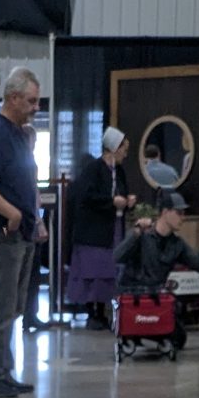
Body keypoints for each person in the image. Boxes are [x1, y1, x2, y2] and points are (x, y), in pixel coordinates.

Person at [0, 67, 43, 398]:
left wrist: (36, 219)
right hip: (5, 231)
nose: (36, 108)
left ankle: (3, 371)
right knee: (3, 306)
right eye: (31, 101)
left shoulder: (18, 134)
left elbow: (26, 180)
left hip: (23, 231)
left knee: (14, 306)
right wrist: (12, 214)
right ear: (13, 97)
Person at [62, 125, 133, 320]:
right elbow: (87, 197)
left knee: (108, 272)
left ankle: (102, 311)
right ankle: (91, 312)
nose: (125, 154)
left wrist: (127, 201)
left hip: (112, 229)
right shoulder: (93, 169)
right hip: (93, 232)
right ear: (114, 148)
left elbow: (122, 192)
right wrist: (111, 202)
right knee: (93, 272)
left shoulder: (119, 171)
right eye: (124, 149)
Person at [115, 206, 196, 348]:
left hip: (158, 298)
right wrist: (136, 233)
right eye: (179, 213)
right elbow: (118, 256)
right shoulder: (141, 236)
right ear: (165, 212)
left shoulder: (176, 244)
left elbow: (197, 262)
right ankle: (141, 333)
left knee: (178, 338)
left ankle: (151, 334)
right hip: (134, 295)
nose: (182, 218)